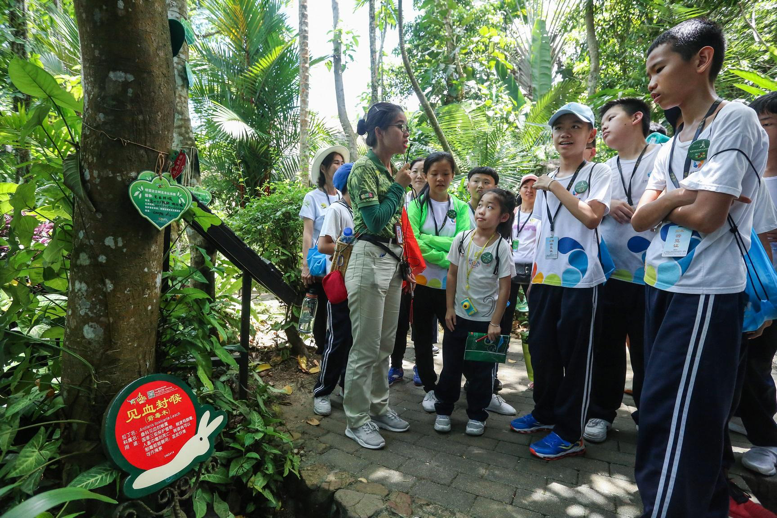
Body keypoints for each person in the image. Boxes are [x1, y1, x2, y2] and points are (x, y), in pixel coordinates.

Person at [630, 18, 768, 516]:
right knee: (667, 408)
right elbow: (642, 219)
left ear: (702, 59)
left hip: (704, 292)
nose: (651, 82)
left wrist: (669, 199)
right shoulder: (670, 143)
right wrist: (679, 194)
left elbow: (709, 218)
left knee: (675, 418)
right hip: (660, 284)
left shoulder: (735, 119)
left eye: (660, 68)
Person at [509, 102, 611, 461]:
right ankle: (544, 412)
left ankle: (570, 433)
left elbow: (591, 218)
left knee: (576, 357)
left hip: (581, 280)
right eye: (558, 128)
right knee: (543, 350)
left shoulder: (598, 172)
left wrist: (553, 186)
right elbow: (542, 232)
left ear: (590, 135)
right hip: (545, 278)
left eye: (575, 127)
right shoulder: (544, 181)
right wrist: (535, 277)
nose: (565, 133)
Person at [584, 98, 660, 443]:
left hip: (653, 276)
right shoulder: (603, 170)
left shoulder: (664, 157)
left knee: (649, 352)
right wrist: (608, 204)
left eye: (611, 118)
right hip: (609, 274)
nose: (604, 126)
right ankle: (601, 413)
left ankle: (650, 415)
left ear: (637, 119)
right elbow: (583, 209)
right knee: (607, 348)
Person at [342, 102, 413, 450]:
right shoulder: (363, 170)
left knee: (385, 345)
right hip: (369, 257)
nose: (406, 133)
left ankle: (379, 407)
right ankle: (356, 420)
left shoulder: (390, 170)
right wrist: (399, 187)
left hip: (393, 262)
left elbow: (396, 223)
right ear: (379, 132)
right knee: (366, 347)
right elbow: (372, 222)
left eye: (407, 126)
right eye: (400, 125)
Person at [434, 188, 515, 436]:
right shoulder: (462, 238)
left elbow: (504, 289)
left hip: (484, 322)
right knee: (450, 368)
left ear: (503, 217)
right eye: (481, 205)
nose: (482, 211)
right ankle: (444, 409)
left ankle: (477, 414)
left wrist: (495, 322)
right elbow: (452, 274)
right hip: (458, 318)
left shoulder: (502, 247)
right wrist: (449, 308)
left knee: (481, 372)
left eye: (491, 207)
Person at [728, 92, 777, 479]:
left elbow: (765, 236)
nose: (759, 130)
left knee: (757, 365)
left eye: (768, 123)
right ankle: (744, 419)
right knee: (742, 363)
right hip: (741, 285)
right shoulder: (748, 173)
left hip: (765, 287)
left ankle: (767, 441)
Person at [407, 152, 472, 412]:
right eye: (434, 173)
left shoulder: (462, 208)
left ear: (453, 176)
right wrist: (448, 252)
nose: (439, 178)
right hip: (422, 285)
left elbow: (464, 242)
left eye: (445, 173)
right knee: (422, 340)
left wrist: (428, 241)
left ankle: (448, 387)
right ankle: (430, 388)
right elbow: (412, 243)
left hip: (451, 287)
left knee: (454, 339)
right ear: (426, 175)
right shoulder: (415, 206)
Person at [313, 163, 354, 416]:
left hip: (361, 284)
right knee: (338, 339)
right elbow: (323, 244)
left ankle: (347, 387)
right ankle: (322, 391)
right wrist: (353, 246)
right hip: (341, 284)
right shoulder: (338, 210)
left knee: (355, 341)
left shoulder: (362, 211)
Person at [299, 146, 348, 353]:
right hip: (320, 263)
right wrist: (305, 265)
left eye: (341, 163)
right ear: (324, 168)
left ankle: (337, 352)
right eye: (335, 162)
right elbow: (308, 233)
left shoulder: (343, 196)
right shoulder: (312, 197)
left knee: (338, 308)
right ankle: (323, 352)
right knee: (320, 312)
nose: (339, 166)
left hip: (341, 264)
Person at [500, 174, 541, 390]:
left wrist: (537, 275)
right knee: (502, 318)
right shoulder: (511, 214)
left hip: (534, 272)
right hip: (510, 269)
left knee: (535, 321)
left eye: (534, 186)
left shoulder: (543, 214)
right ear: (520, 190)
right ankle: (493, 370)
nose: (529, 190)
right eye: (525, 186)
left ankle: (537, 374)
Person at [389, 158, 426, 386]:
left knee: (423, 324)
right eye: (415, 171)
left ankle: (422, 365)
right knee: (400, 321)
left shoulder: (445, 204)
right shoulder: (400, 199)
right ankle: (396, 364)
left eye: (425, 171)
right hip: (403, 268)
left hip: (428, 274)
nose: (420, 176)